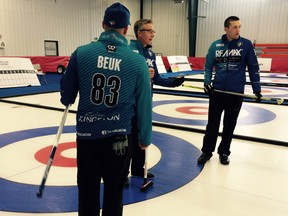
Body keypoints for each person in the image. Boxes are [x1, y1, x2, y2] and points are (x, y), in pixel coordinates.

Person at [60, 3, 152, 216]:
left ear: (103, 24)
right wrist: (145, 136)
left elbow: (66, 96)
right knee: (114, 192)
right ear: (127, 29)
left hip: (87, 137)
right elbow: (144, 105)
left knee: (87, 191)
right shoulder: (137, 62)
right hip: (119, 138)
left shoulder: (81, 53)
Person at [197, 16, 262, 165]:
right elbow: (208, 66)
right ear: (226, 28)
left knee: (229, 124)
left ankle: (224, 152)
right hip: (217, 92)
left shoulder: (245, 45)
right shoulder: (215, 45)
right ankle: (207, 151)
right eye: (234, 27)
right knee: (212, 124)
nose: (238, 30)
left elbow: (253, 68)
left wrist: (256, 89)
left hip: (235, 93)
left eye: (239, 26)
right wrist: (207, 82)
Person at [128, 19, 184, 180]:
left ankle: (138, 169)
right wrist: (144, 73)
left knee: (141, 137)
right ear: (140, 33)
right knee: (128, 140)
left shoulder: (151, 54)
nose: (153, 34)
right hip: (130, 104)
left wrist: (174, 82)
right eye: (149, 31)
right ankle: (122, 173)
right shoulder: (129, 51)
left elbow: (157, 78)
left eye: (153, 31)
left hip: (145, 103)